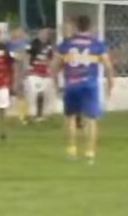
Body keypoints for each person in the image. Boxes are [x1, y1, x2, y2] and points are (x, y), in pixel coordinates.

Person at [50, 15, 115, 164]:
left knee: (70, 117)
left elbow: (54, 67)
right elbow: (108, 66)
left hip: (71, 84)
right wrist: (110, 84)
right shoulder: (96, 44)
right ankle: (89, 153)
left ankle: (71, 151)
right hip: (89, 85)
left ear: (76, 26)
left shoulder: (66, 44)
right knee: (91, 119)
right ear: (90, 27)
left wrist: (56, 84)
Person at [25, 27, 55, 122]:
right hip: (34, 72)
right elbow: (27, 55)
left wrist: (51, 70)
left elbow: (50, 58)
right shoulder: (33, 43)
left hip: (45, 72)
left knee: (44, 93)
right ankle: (32, 113)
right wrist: (27, 67)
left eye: (46, 33)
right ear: (39, 33)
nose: (45, 35)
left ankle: (41, 114)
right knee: (33, 93)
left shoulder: (49, 44)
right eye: (43, 32)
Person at [6, 26, 30, 124]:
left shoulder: (25, 42)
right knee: (9, 92)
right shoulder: (8, 44)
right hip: (10, 71)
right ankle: (6, 114)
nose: (19, 33)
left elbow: (26, 56)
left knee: (20, 93)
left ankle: (22, 116)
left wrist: (25, 69)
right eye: (17, 31)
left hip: (19, 71)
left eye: (21, 31)